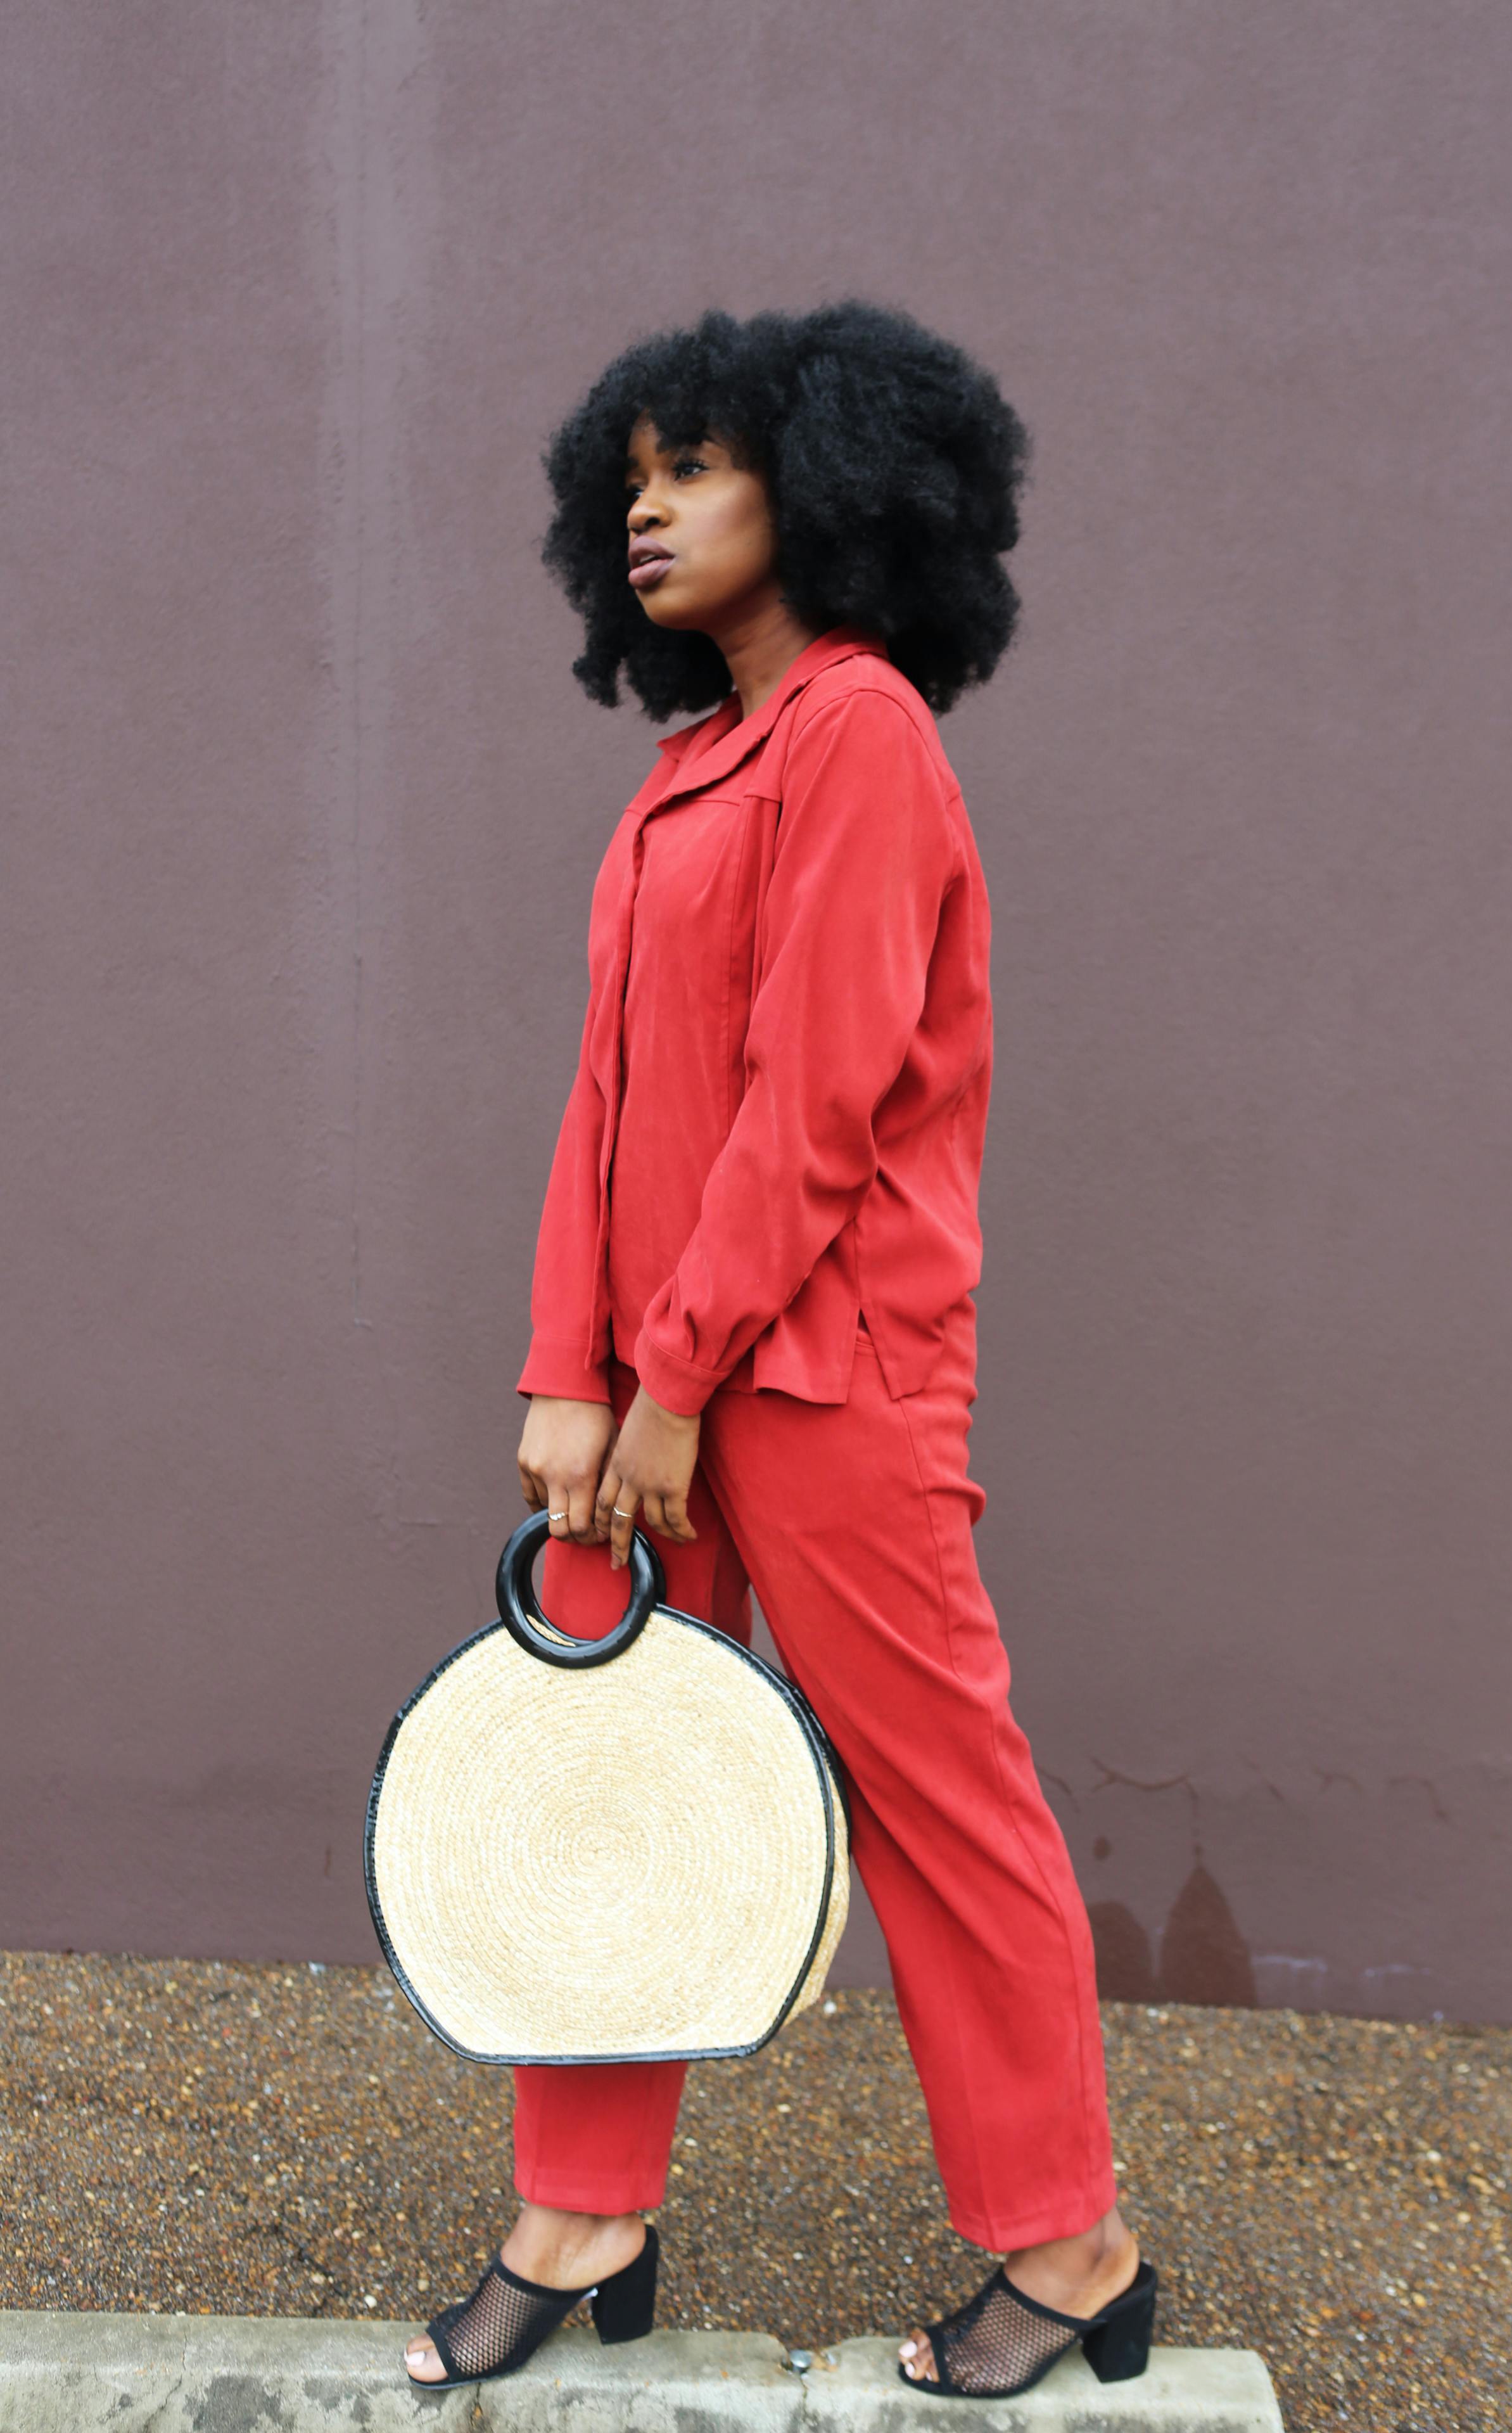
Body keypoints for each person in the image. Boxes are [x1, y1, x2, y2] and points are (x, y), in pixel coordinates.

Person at [403, 301, 1155, 2398]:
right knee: (598, 1776)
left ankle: (1072, 2243)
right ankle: (584, 2212)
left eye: (697, 472)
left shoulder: (862, 735)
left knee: (935, 1802)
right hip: (643, 1398)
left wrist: (673, 1375)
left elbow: (816, 1103)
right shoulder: (684, 774)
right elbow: (612, 1103)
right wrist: (571, 1374)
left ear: (828, 496)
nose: (647, 510)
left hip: (818, 1384)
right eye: (628, 480)